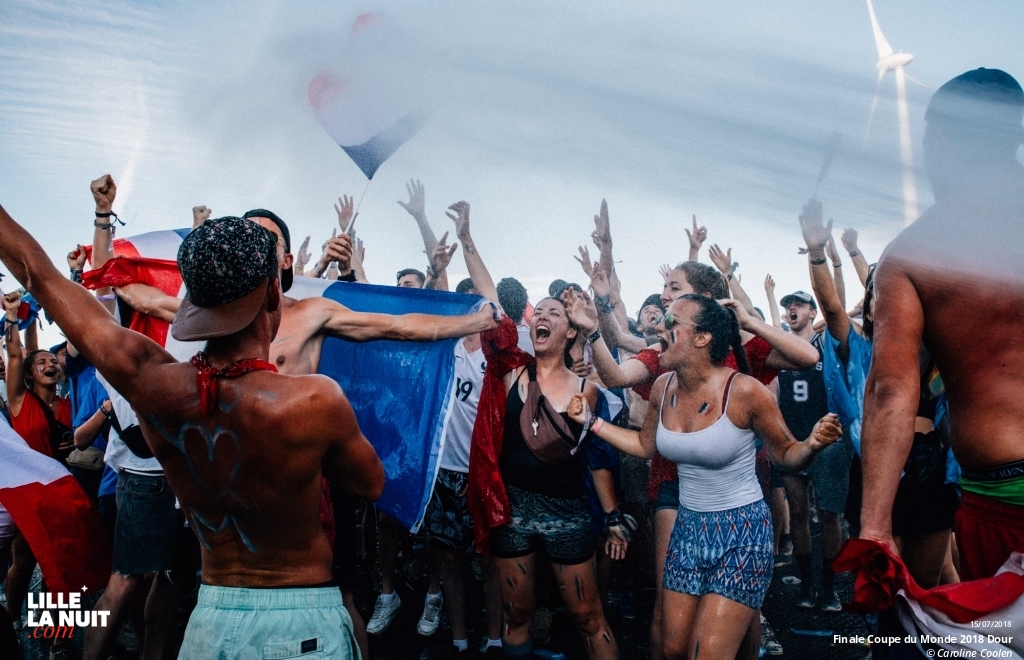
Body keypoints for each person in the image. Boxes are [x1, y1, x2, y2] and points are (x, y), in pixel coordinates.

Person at [0, 208, 387, 657]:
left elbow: (40, 275)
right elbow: (370, 484)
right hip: (302, 621)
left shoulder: (151, 383)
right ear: (272, 294)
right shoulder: (315, 400)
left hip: (210, 624)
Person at [567, 294, 842, 660]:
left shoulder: (744, 391)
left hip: (741, 534)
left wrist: (812, 445)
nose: (660, 328)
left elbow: (786, 454)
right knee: (672, 648)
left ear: (702, 338)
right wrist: (592, 423)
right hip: (688, 529)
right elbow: (646, 446)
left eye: (671, 322)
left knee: (707, 653)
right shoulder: (664, 387)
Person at [858, 68, 1024, 581]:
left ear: (945, 136)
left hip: (1003, 496)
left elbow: (890, 391)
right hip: (997, 491)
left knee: (1000, 627)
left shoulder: (915, 254)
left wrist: (875, 530)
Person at [774, 289, 852, 611]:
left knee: (830, 516)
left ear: (812, 312)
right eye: (788, 305)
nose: (792, 309)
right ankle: (807, 585)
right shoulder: (779, 347)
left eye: (799, 304)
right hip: (792, 442)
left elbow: (838, 311)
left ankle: (830, 588)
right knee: (799, 514)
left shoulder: (826, 345)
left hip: (828, 442)